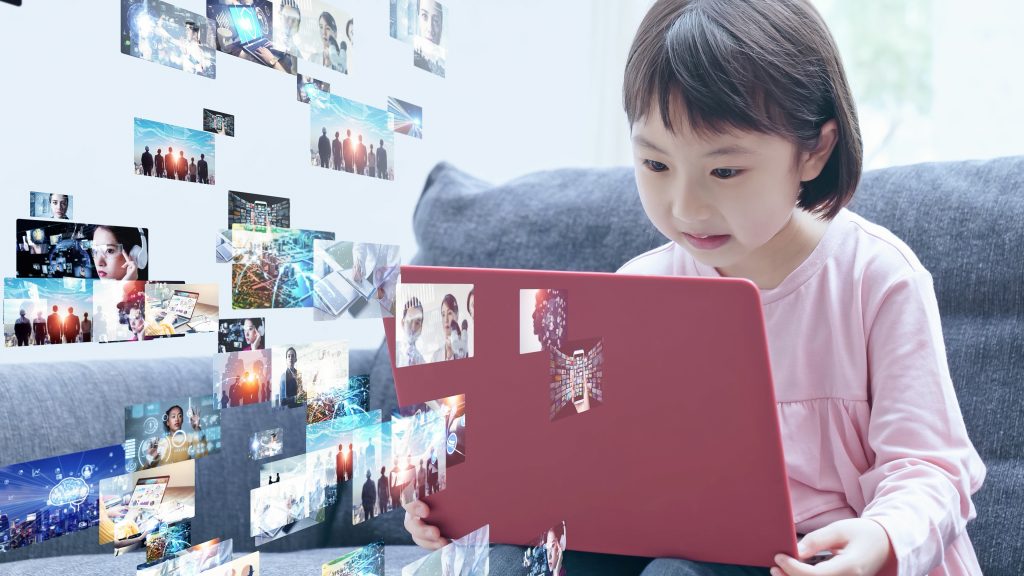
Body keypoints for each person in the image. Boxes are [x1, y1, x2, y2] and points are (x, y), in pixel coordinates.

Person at [405, 2, 987, 576]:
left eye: (725, 171)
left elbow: (931, 467)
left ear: (814, 151)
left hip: (829, 558)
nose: (685, 207)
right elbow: (572, 457)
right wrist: (462, 497)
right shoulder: (637, 290)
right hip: (698, 544)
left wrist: (882, 538)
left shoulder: (877, 279)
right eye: (656, 165)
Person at [431, 294, 459, 362]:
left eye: (449, 313)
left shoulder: (464, 350)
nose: (446, 320)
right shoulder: (436, 356)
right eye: (443, 315)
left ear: (457, 315)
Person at [400, 297, 425, 366]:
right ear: (402, 323)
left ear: (421, 328)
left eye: (417, 323)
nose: (413, 328)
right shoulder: (393, 352)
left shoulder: (422, 361)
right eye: (410, 320)